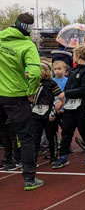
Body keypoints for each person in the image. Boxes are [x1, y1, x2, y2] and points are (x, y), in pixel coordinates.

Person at [0, 13, 42, 190]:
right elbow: (35, 73)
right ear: (29, 29)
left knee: (3, 134)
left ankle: (9, 161)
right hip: (16, 95)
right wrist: (31, 92)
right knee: (25, 137)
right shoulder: (27, 45)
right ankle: (29, 178)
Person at [52, 46, 85, 169]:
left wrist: (66, 94)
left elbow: (84, 89)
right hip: (70, 108)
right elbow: (68, 87)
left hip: (82, 107)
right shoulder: (73, 71)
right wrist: (62, 100)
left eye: (74, 54)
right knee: (66, 132)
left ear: (78, 56)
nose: (73, 57)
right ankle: (63, 156)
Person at [31, 62, 61, 164]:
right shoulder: (33, 83)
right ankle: (33, 159)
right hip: (35, 114)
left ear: (47, 71)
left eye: (41, 69)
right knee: (35, 137)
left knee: (51, 136)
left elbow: (57, 99)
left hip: (48, 113)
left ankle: (53, 156)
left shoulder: (52, 83)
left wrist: (53, 113)